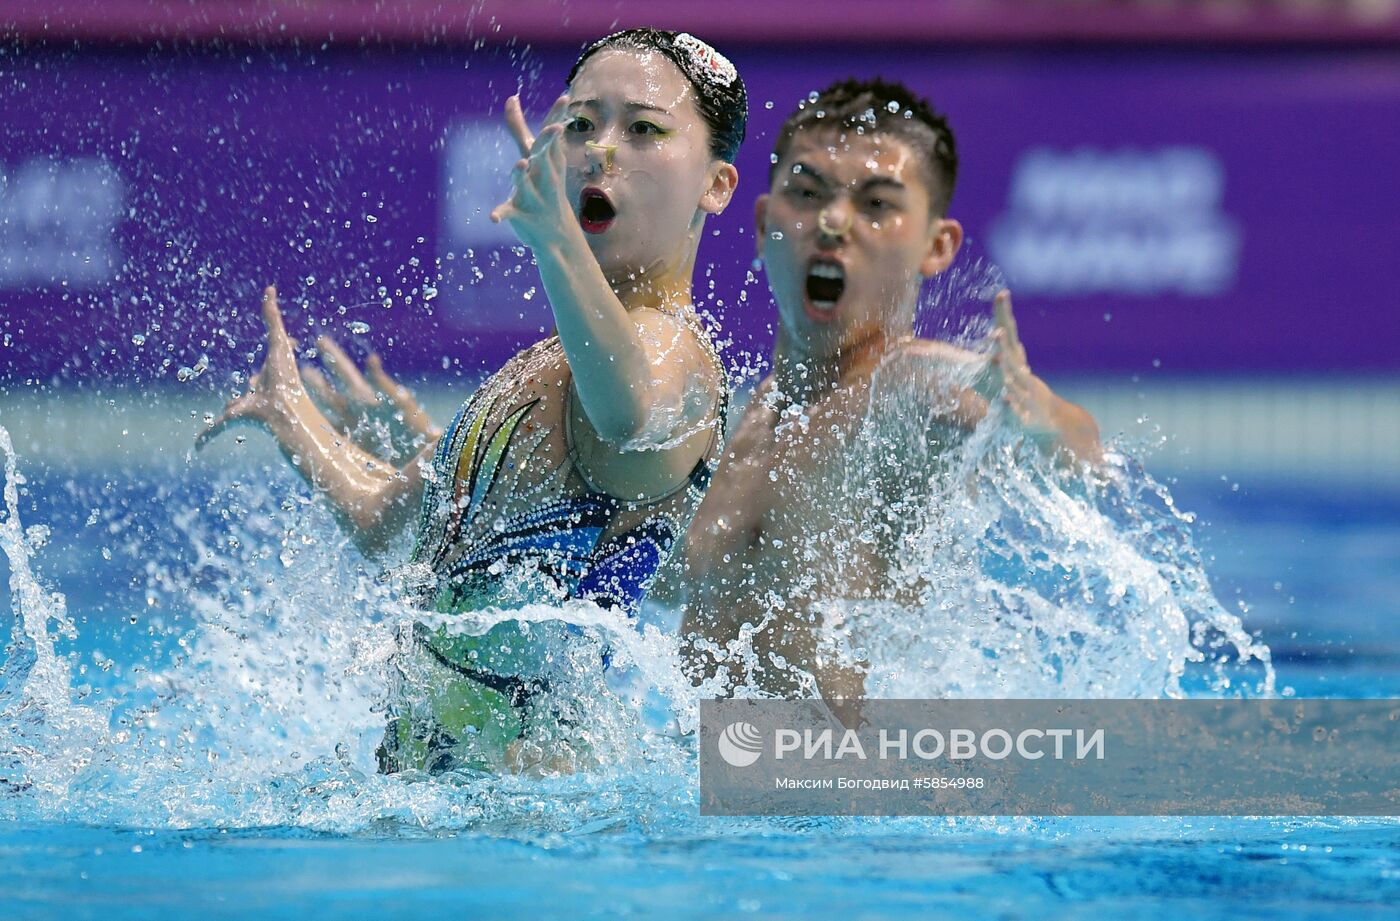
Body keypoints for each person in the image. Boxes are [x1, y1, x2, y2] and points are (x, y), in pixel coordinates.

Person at [198, 29, 747, 773]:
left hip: (539, 815)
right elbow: (381, 518)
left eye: (644, 129)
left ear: (716, 184)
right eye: (580, 124)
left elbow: (631, 411)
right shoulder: (541, 369)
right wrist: (290, 410)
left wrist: (555, 244)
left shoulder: (676, 354)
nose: (601, 149)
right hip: (445, 798)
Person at [681, 78, 1102, 702]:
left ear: (937, 246)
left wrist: (1035, 417)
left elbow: (1080, 451)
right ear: (766, 221)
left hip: (846, 784)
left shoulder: (905, 392)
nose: (832, 222)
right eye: (806, 192)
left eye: (876, 204)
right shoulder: (735, 426)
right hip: (711, 776)